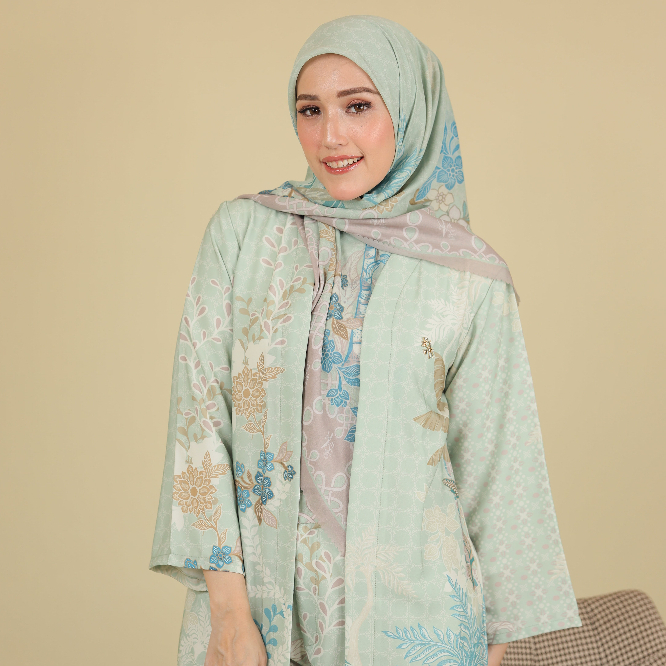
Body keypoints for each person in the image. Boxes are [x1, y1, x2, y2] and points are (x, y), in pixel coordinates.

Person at [149, 15, 582, 666]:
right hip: (257, 621)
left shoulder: (469, 276)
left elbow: (498, 477)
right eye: (311, 110)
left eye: (357, 106)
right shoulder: (243, 235)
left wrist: (492, 654)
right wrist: (231, 614)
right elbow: (200, 421)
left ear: (407, 111)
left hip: (422, 630)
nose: (331, 136)